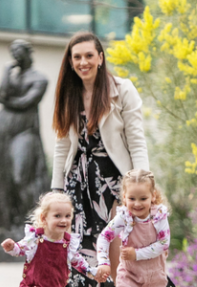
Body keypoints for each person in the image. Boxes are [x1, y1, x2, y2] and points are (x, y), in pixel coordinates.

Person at [51, 32, 149, 287]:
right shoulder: (67, 94)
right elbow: (61, 146)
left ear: (101, 58)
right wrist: (56, 191)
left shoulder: (122, 90)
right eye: (77, 57)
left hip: (114, 184)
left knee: (116, 258)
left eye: (89, 56)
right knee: (79, 255)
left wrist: (143, 187)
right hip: (77, 185)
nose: (83, 62)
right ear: (71, 62)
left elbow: (137, 142)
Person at [0, 39, 50, 243]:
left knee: (20, 178)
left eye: (18, 51)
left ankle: (29, 223)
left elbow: (25, 102)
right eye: (12, 52)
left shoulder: (40, 78)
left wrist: (8, 101)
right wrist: (6, 72)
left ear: (28, 52)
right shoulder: (12, 77)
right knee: (2, 178)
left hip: (25, 133)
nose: (15, 56)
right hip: (2, 135)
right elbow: (1, 96)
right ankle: (9, 224)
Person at [1, 192, 109, 287]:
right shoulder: (36, 238)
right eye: (57, 216)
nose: (63, 220)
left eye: (67, 216)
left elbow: (78, 262)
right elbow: (21, 249)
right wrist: (12, 247)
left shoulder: (68, 243)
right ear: (44, 218)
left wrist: (93, 273)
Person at [96, 169, 170, 287]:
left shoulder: (158, 216)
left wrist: (136, 254)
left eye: (143, 198)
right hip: (129, 277)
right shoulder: (124, 217)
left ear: (153, 196)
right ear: (124, 197)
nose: (137, 204)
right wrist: (103, 262)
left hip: (155, 278)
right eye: (132, 199)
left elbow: (164, 243)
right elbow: (104, 237)